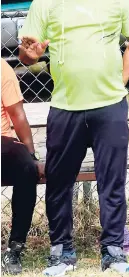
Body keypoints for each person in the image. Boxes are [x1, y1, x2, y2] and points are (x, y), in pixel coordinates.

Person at [18, 0, 129, 276]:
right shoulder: (46, 2)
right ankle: (61, 253)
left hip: (110, 105)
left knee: (113, 180)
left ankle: (113, 251)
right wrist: (31, 57)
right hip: (65, 107)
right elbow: (31, 58)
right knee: (59, 182)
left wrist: (127, 68)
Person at [1, 59, 45, 275]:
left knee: (26, 168)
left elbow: (17, 115)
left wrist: (31, 156)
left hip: (2, 142)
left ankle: (14, 248)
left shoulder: (2, 68)